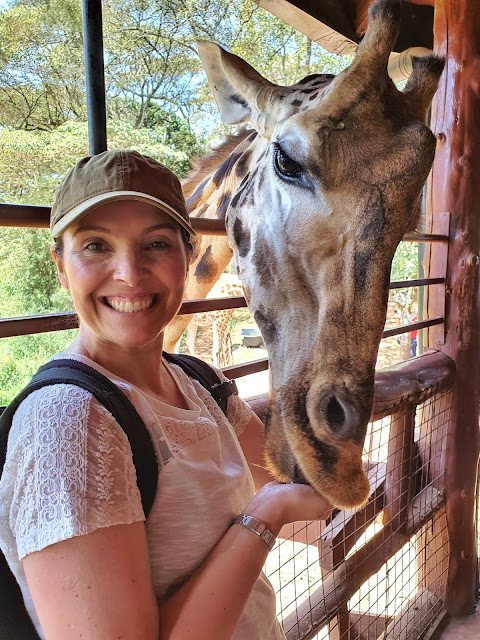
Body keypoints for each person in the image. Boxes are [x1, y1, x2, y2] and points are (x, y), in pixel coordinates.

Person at [0, 150, 332, 640]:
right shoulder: (69, 424)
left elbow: (304, 494)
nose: (129, 274)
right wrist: (265, 515)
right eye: (95, 246)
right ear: (61, 267)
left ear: (187, 253)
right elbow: (280, 500)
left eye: (154, 243)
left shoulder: (197, 382)